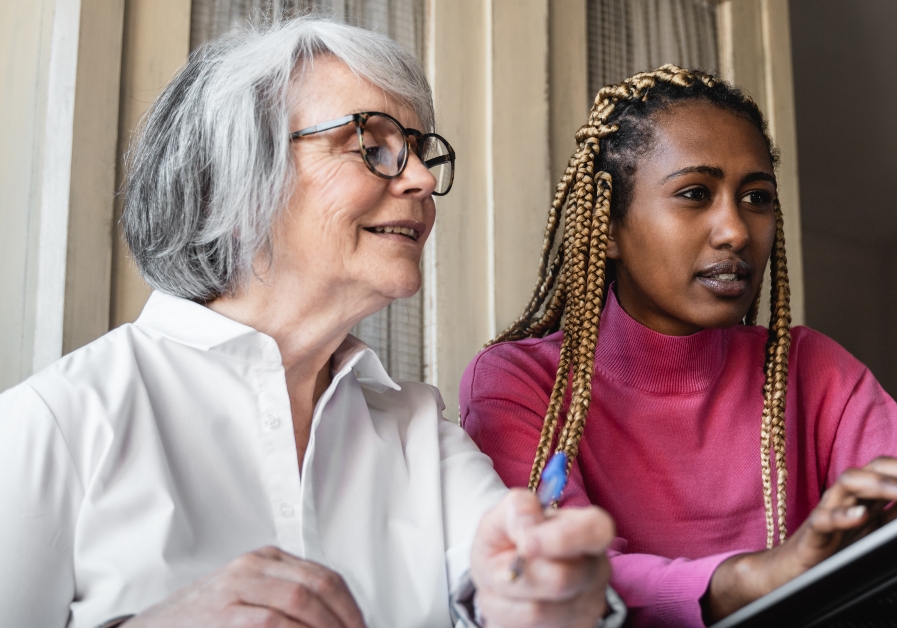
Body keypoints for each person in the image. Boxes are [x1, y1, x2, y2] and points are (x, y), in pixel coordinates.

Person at [0, 17, 622, 628]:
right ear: (236, 184)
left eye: (420, 151)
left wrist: (545, 595)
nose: (423, 179)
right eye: (372, 147)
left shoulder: (417, 434)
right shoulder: (54, 424)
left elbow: (509, 590)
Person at [459, 65, 897, 626]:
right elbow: (562, 580)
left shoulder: (810, 368)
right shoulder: (522, 384)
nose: (736, 231)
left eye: (757, 197)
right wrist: (764, 573)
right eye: (695, 194)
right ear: (611, 225)